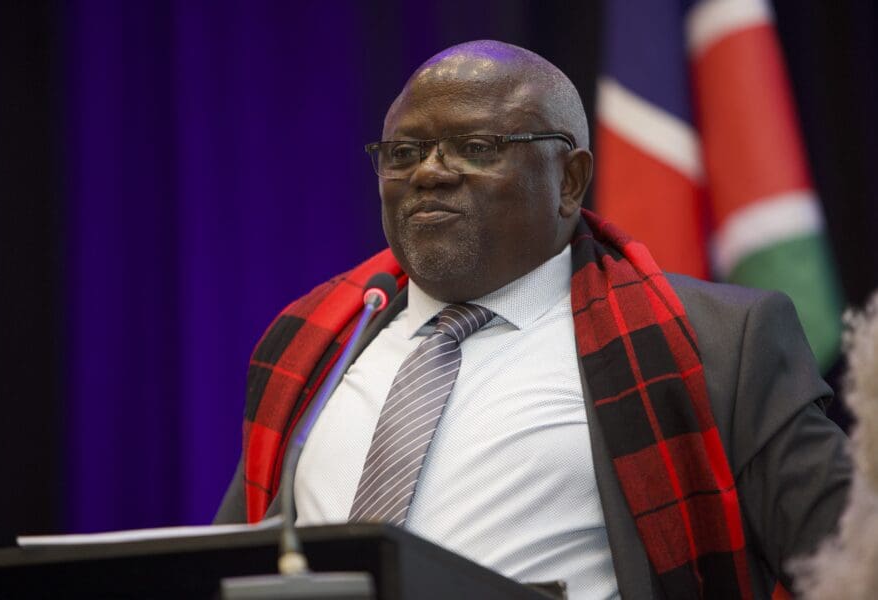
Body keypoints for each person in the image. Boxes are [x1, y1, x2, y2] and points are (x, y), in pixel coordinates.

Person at [215, 40, 851, 599]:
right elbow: (220, 567)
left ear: (569, 180)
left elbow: (852, 562)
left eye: (475, 147)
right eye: (404, 152)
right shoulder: (314, 345)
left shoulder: (717, 341)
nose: (428, 173)